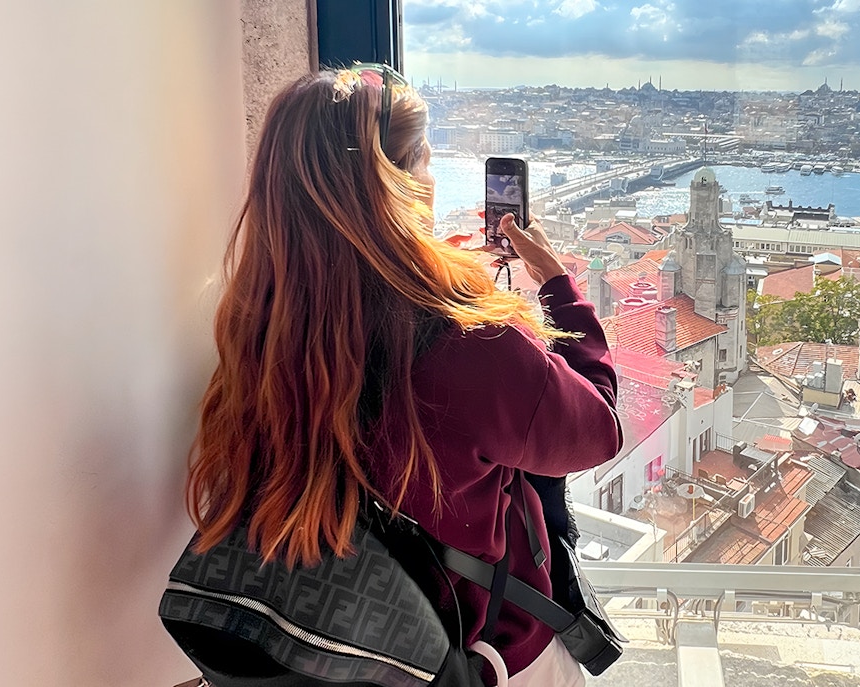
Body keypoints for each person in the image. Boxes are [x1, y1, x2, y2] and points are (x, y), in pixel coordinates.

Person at [185, 67, 622, 687]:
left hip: (327, 642)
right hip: (474, 654)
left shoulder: (258, 325)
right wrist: (557, 287)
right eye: (426, 162)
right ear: (403, 185)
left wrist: (432, 264)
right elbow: (597, 429)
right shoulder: (475, 342)